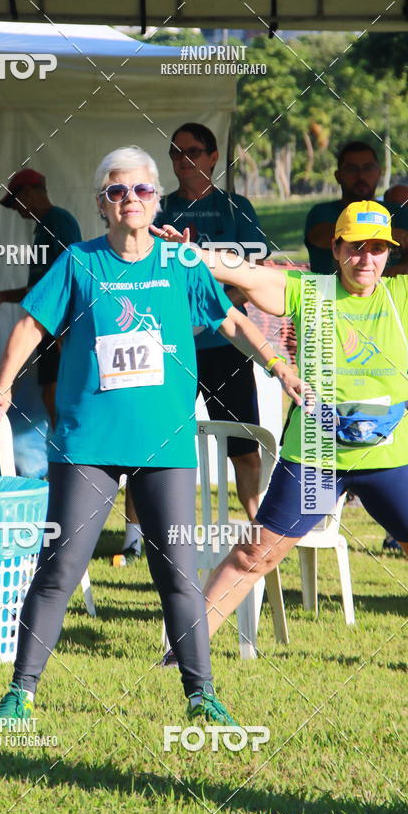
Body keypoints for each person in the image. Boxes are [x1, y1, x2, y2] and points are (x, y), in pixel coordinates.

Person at [0, 145, 304, 724]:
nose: (130, 200)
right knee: (59, 568)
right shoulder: (79, 263)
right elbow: (31, 326)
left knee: (176, 574)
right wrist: (2, 385)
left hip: (166, 443)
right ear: (101, 204)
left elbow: (231, 321)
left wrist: (280, 366)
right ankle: (20, 693)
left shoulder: (180, 265)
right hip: (88, 443)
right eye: (116, 191)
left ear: (156, 198)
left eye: (141, 190)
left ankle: (202, 696)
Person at [156, 202, 408, 705]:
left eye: (377, 248)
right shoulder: (308, 292)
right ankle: (184, 653)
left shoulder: (401, 297)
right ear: (335, 249)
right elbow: (243, 272)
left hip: (389, 457)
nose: (366, 258)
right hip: (317, 454)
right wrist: (191, 255)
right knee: (256, 554)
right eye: (355, 246)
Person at [153, 121, 268, 525]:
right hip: (171, 349)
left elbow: (255, 275)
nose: (183, 161)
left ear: (214, 157)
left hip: (227, 347)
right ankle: (137, 538)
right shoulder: (157, 209)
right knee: (158, 444)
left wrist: (211, 310)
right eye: (176, 153)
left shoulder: (237, 209)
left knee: (244, 448)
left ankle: (259, 530)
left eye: (193, 152)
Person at [0, 168, 81, 429]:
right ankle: (61, 455)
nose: (15, 210)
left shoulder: (58, 221)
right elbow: (39, 289)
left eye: (14, 202)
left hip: (58, 323)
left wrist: (64, 330)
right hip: (48, 322)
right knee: (50, 393)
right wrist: (3, 296)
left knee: (57, 393)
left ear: (27, 193)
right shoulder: (45, 226)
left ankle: (67, 456)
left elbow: (68, 278)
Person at [304, 141, 408, 274]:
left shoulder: (399, 212)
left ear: (379, 173)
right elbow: (320, 237)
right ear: (338, 176)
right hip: (328, 292)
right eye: (351, 169)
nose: (360, 176)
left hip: (390, 292)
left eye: (368, 168)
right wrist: (384, 233)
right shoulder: (322, 212)